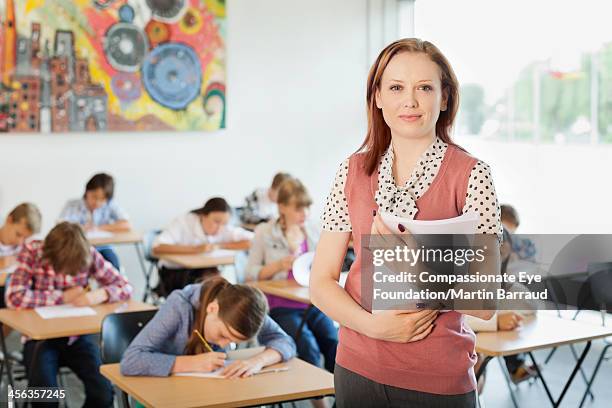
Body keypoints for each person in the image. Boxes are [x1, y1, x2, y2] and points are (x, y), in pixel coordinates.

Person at [310, 38, 502, 407]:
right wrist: (373, 326)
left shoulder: (473, 176)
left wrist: (419, 262)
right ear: (378, 96)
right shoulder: (350, 172)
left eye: (424, 88)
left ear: (444, 98)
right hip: (356, 371)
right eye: (396, 87)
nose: (410, 101)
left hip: (438, 379)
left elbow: (484, 303)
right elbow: (320, 283)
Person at [6, 222, 133, 408]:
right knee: (45, 399)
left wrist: (97, 295)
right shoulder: (32, 252)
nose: (67, 274)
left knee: (103, 393)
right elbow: (14, 297)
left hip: (78, 337)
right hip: (40, 339)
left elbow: (125, 286)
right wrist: (61, 297)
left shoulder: (86, 252)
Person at [246, 178, 338, 378]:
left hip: (313, 303)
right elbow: (249, 274)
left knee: (335, 344)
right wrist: (278, 265)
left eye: (307, 208)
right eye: (298, 208)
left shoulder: (313, 230)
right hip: (281, 307)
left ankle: (339, 398)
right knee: (308, 348)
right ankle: (318, 401)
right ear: (281, 207)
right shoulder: (264, 232)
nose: (304, 214)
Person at [121, 277, 296, 378]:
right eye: (223, 335)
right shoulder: (179, 306)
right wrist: (191, 363)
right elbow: (130, 361)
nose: (225, 345)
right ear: (212, 308)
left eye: (234, 341)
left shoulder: (246, 311)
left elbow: (285, 341)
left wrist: (257, 362)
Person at [152, 197, 253, 297]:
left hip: (204, 271)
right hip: (175, 273)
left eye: (224, 223)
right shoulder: (183, 222)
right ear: (203, 216)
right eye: (216, 222)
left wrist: (219, 245)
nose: (220, 227)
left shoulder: (223, 227)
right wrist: (195, 249)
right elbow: (157, 247)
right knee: (210, 286)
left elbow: (253, 240)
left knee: (219, 285)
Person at [59, 172, 130, 269]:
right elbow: (61, 226)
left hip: (104, 248)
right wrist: (81, 228)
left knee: (113, 264)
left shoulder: (109, 205)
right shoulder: (72, 205)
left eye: (102, 199)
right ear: (87, 191)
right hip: (80, 249)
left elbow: (126, 224)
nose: (97, 202)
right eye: (94, 197)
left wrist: (98, 228)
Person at [0, 203, 42, 312]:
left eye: (25, 238)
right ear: (9, 220)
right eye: (18, 234)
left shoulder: (26, 248)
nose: (20, 241)